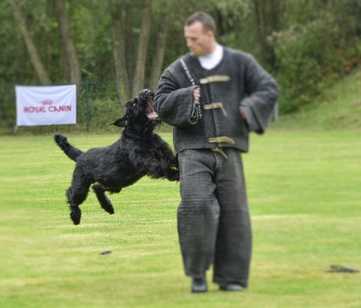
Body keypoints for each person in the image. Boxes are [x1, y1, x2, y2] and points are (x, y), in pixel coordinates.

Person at [154, 12, 278, 293]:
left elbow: (267, 88)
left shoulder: (240, 62)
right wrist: (187, 96)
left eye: (194, 38)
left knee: (235, 213)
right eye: (187, 38)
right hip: (192, 151)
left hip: (229, 150)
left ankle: (231, 277)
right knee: (195, 206)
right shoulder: (178, 69)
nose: (190, 44)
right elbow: (160, 102)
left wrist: (249, 109)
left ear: (210, 34)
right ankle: (198, 274)